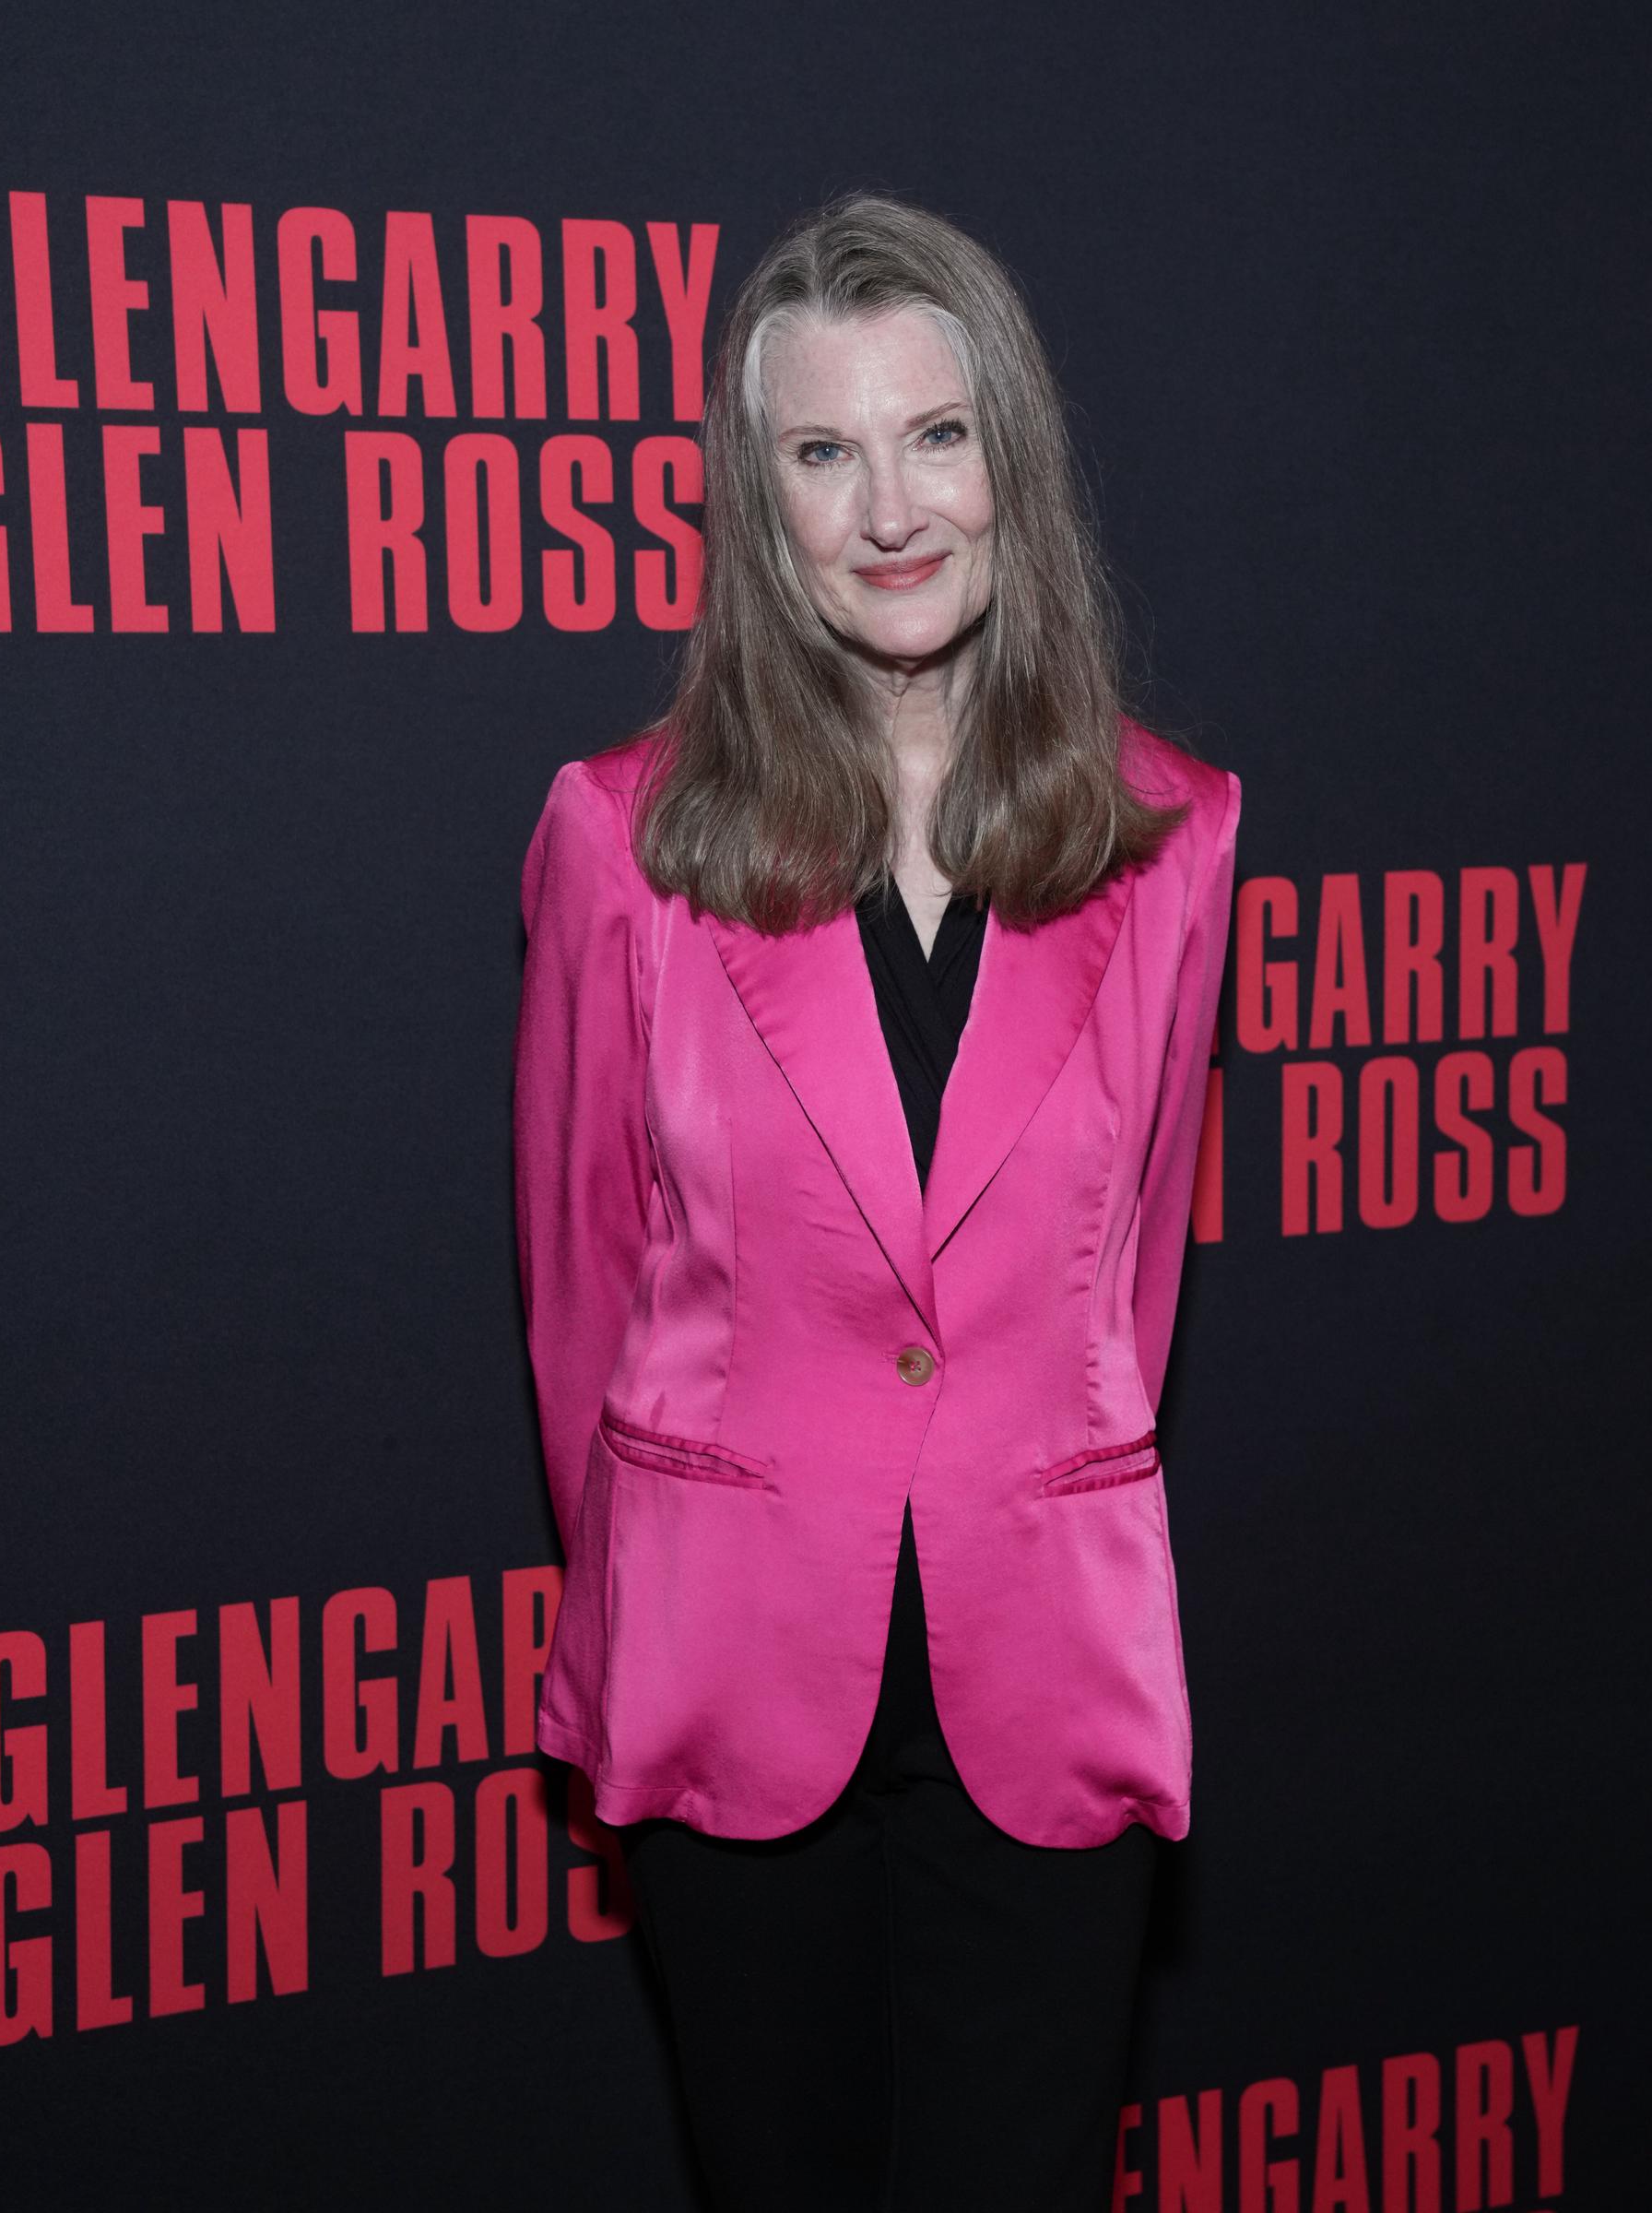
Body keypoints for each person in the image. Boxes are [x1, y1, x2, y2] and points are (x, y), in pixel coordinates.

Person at [513, 193, 1242, 2212]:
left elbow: (1129, 1299)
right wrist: (657, 1576)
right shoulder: (622, 840)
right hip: (739, 1670)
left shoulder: (1172, 841)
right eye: (820, 453)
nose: (890, 506)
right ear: (758, 506)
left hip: (1042, 1671)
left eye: (936, 434)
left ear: (1014, 456)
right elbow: (583, 1292)